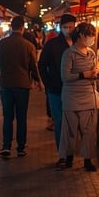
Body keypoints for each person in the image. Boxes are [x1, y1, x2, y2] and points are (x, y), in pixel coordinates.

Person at [0, 15, 42, 157]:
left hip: (6, 85)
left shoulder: (2, 44)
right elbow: (33, 66)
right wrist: (38, 81)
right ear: (22, 28)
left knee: (7, 116)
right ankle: (21, 147)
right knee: (21, 117)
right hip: (22, 85)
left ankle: (6, 146)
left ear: (11, 27)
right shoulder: (29, 45)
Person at [58, 23, 99, 171]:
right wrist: (83, 74)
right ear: (81, 35)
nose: (92, 38)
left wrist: (96, 74)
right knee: (69, 131)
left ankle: (88, 160)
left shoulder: (91, 53)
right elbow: (65, 76)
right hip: (71, 98)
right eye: (90, 35)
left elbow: (94, 70)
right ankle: (67, 158)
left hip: (88, 97)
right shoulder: (69, 54)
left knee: (89, 131)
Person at [38, 14, 77, 160]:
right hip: (56, 89)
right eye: (65, 27)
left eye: (71, 27)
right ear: (60, 27)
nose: (68, 30)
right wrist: (47, 83)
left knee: (72, 122)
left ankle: (70, 152)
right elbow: (42, 64)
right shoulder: (52, 44)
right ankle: (62, 154)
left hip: (75, 90)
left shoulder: (79, 43)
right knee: (59, 121)